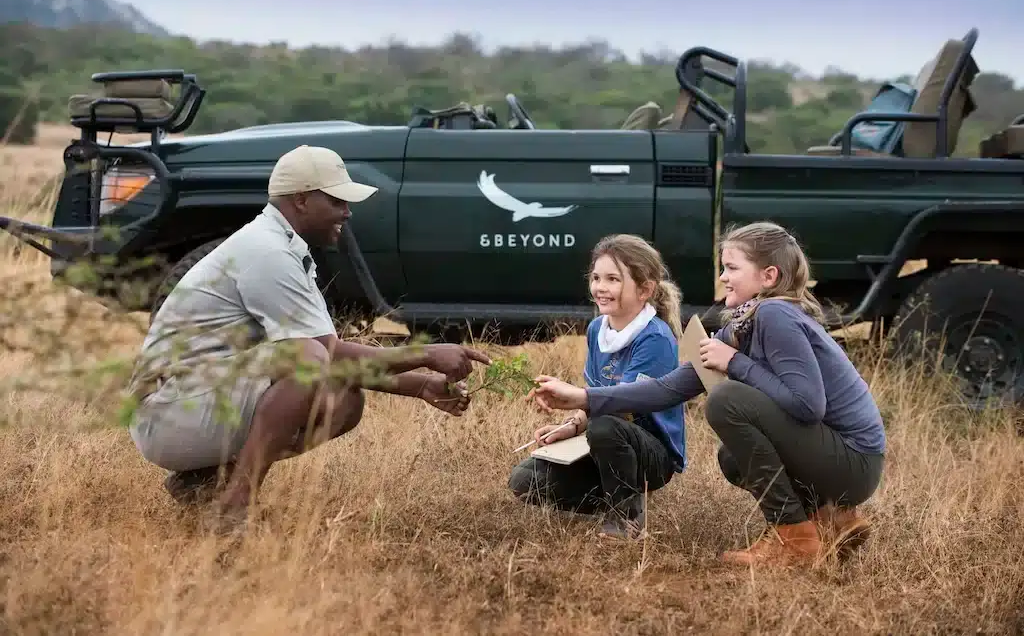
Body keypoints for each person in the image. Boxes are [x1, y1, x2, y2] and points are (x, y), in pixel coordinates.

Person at [125, 144, 491, 532]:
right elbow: (325, 355)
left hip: (189, 404)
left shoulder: (279, 245)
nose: (346, 212)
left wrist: (419, 386)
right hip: (167, 413)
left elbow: (334, 358)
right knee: (309, 361)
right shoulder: (267, 253)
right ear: (300, 200)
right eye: (336, 201)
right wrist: (426, 354)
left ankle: (204, 482)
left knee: (343, 399)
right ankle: (234, 505)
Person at [527, 221, 886, 566]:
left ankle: (793, 538)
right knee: (732, 458)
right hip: (837, 461)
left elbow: (808, 406)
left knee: (726, 401)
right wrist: (582, 398)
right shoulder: (744, 323)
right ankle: (829, 517)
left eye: (731, 268)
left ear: (768, 277)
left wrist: (735, 364)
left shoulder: (775, 314)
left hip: (855, 463)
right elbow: (668, 388)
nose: (722, 278)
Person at [509, 234, 687, 540]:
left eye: (613, 279)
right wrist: (571, 426)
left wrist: (578, 399)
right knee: (524, 479)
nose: (600, 287)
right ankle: (617, 493)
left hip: (651, 454)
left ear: (645, 289)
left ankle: (626, 517)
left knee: (607, 425)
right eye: (596, 278)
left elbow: (626, 405)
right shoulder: (596, 330)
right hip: (603, 440)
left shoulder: (654, 337)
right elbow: (595, 392)